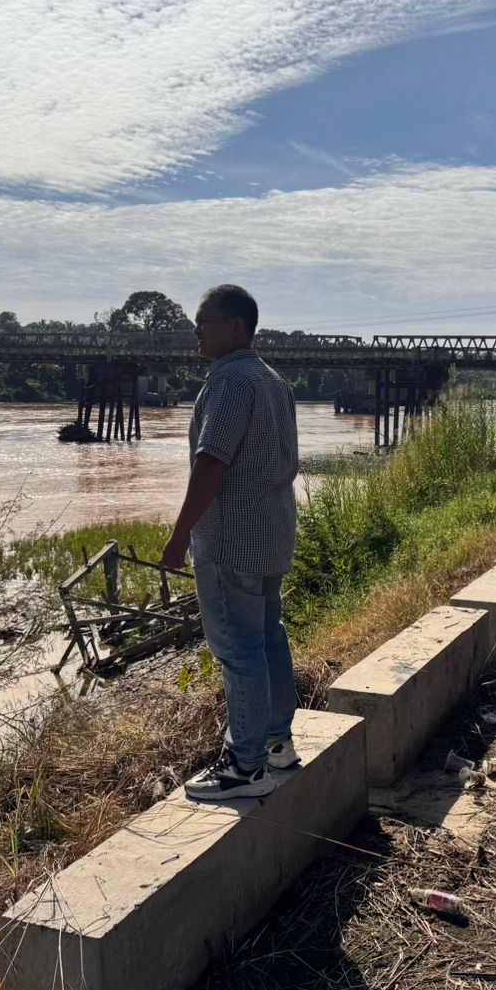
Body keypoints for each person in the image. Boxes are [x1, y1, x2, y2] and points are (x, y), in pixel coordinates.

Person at [161, 285, 301, 801]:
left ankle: (245, 767)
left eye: (205, 321)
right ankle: (276, 743)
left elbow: (212, 460)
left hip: (231, 536)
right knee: (267, 636)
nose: (196, 331)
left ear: (236, 327)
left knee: (236, 648)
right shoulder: (273, 381)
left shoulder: (228, 380)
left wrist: (180, 533)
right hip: (274, 530)